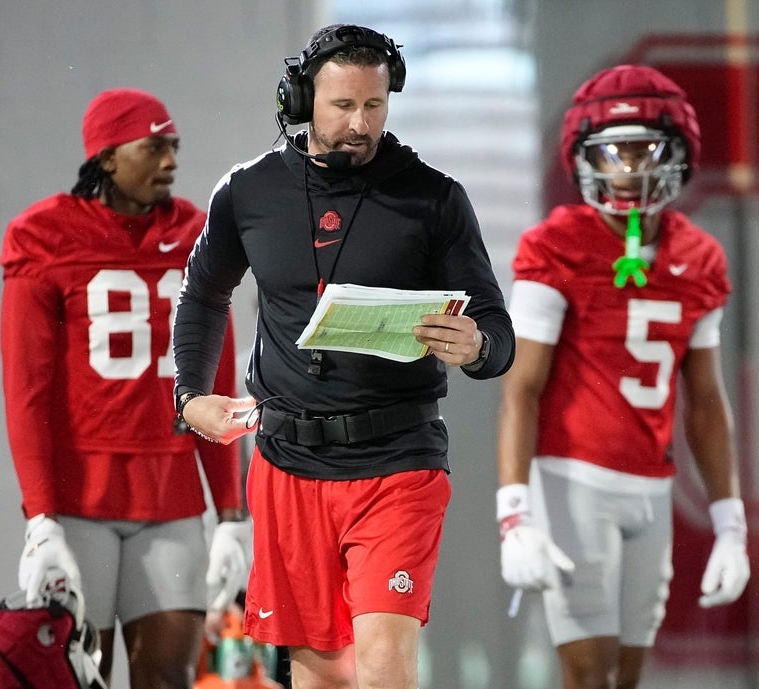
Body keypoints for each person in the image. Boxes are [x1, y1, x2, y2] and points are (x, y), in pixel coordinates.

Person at [171, 23, 514, 689]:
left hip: (398, 463)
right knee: (321, 674)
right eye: (343, 106)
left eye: (375, 106)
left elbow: (495, 327)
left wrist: (478, 346)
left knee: (383, 665)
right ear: (301, 101)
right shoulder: (247, 190)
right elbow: (204, 293)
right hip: (287, 465)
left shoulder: (434, 197)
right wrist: (190, 394)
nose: (360, 124)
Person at [495, 64, 751, 689]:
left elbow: (707, 402)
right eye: (611, 153)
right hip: (572, 477)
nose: (628, 169)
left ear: (677, 154)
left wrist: (731, 524)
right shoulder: (557, 245)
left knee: (626, 677)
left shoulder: (700, 257)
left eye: (643, 151)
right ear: (584, 158)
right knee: (588, 671)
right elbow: (521, 389)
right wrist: (515, 513)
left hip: (653, 485)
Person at [0, 88, 252, 689]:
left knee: (167, 680)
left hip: (169, 497)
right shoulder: (45, 235)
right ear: (107, 157)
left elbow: (217, 380)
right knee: (81, 678)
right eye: (154, 147)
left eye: (175, 147)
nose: (170, 162)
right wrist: (40, 519)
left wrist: (234, 514)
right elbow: (25, 392)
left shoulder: (197, 232)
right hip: (79, 498)